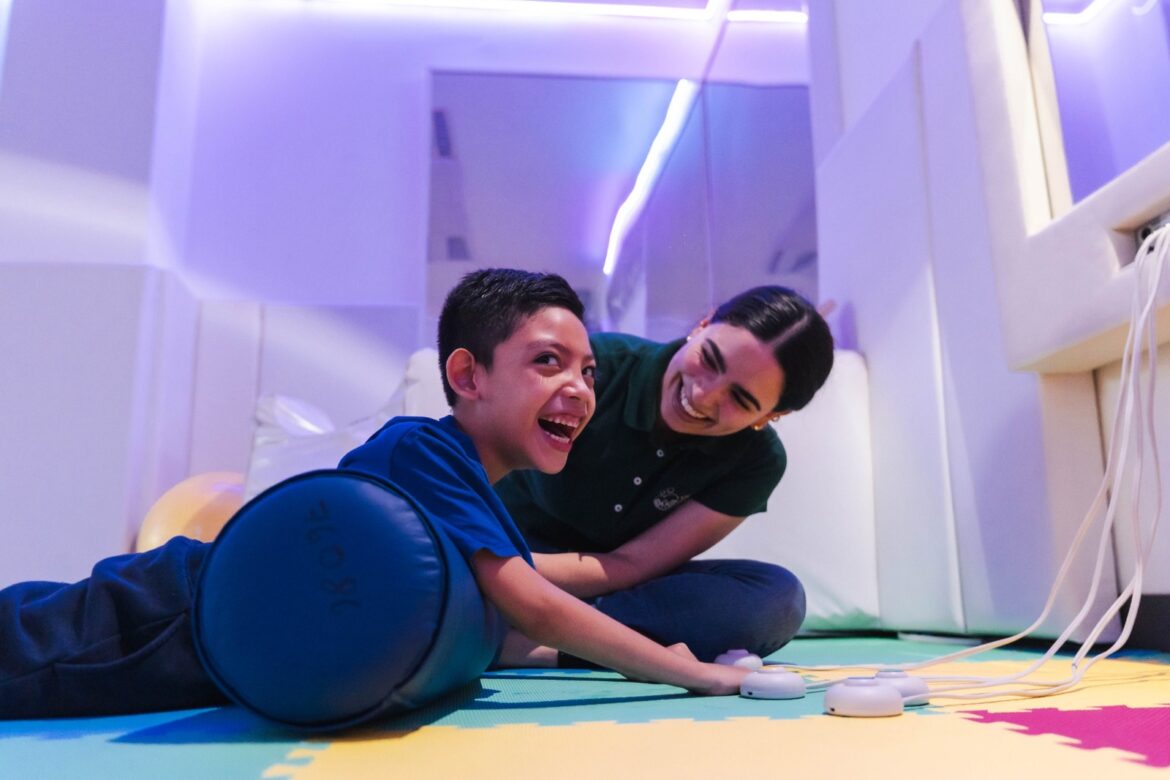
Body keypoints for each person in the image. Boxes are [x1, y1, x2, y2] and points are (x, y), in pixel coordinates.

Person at [0, 268, 749, 721]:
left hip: (222, 654)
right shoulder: (421, 447)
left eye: (588, 372)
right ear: (468, 376)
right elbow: (534, 605)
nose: (579, 389)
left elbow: (499, 624)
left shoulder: (480, 495)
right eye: (548, 362)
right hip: (164, 613)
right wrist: (686, 671)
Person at [494, 285, 834, 666]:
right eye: (710, 359)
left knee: (779, 598)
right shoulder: (598, 368)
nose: (703, 395)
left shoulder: (757, 461)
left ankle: (539, 645)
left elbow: (632, 565)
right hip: (507, 558)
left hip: (616, 588)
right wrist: (496, 568)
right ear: (702, 325)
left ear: (770, 416)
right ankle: (567, 637)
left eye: (740, 399)